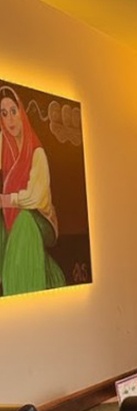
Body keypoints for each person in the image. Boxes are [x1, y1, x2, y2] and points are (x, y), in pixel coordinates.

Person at [0, 85, 65, 296]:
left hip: (40, 219)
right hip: (11, 215)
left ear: (21, 112)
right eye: (4, 113)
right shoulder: (3, 144)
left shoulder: (37, 153)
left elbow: (36, 197)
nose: (10, 119)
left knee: (25, 220)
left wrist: (7, 200)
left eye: (13, 111)